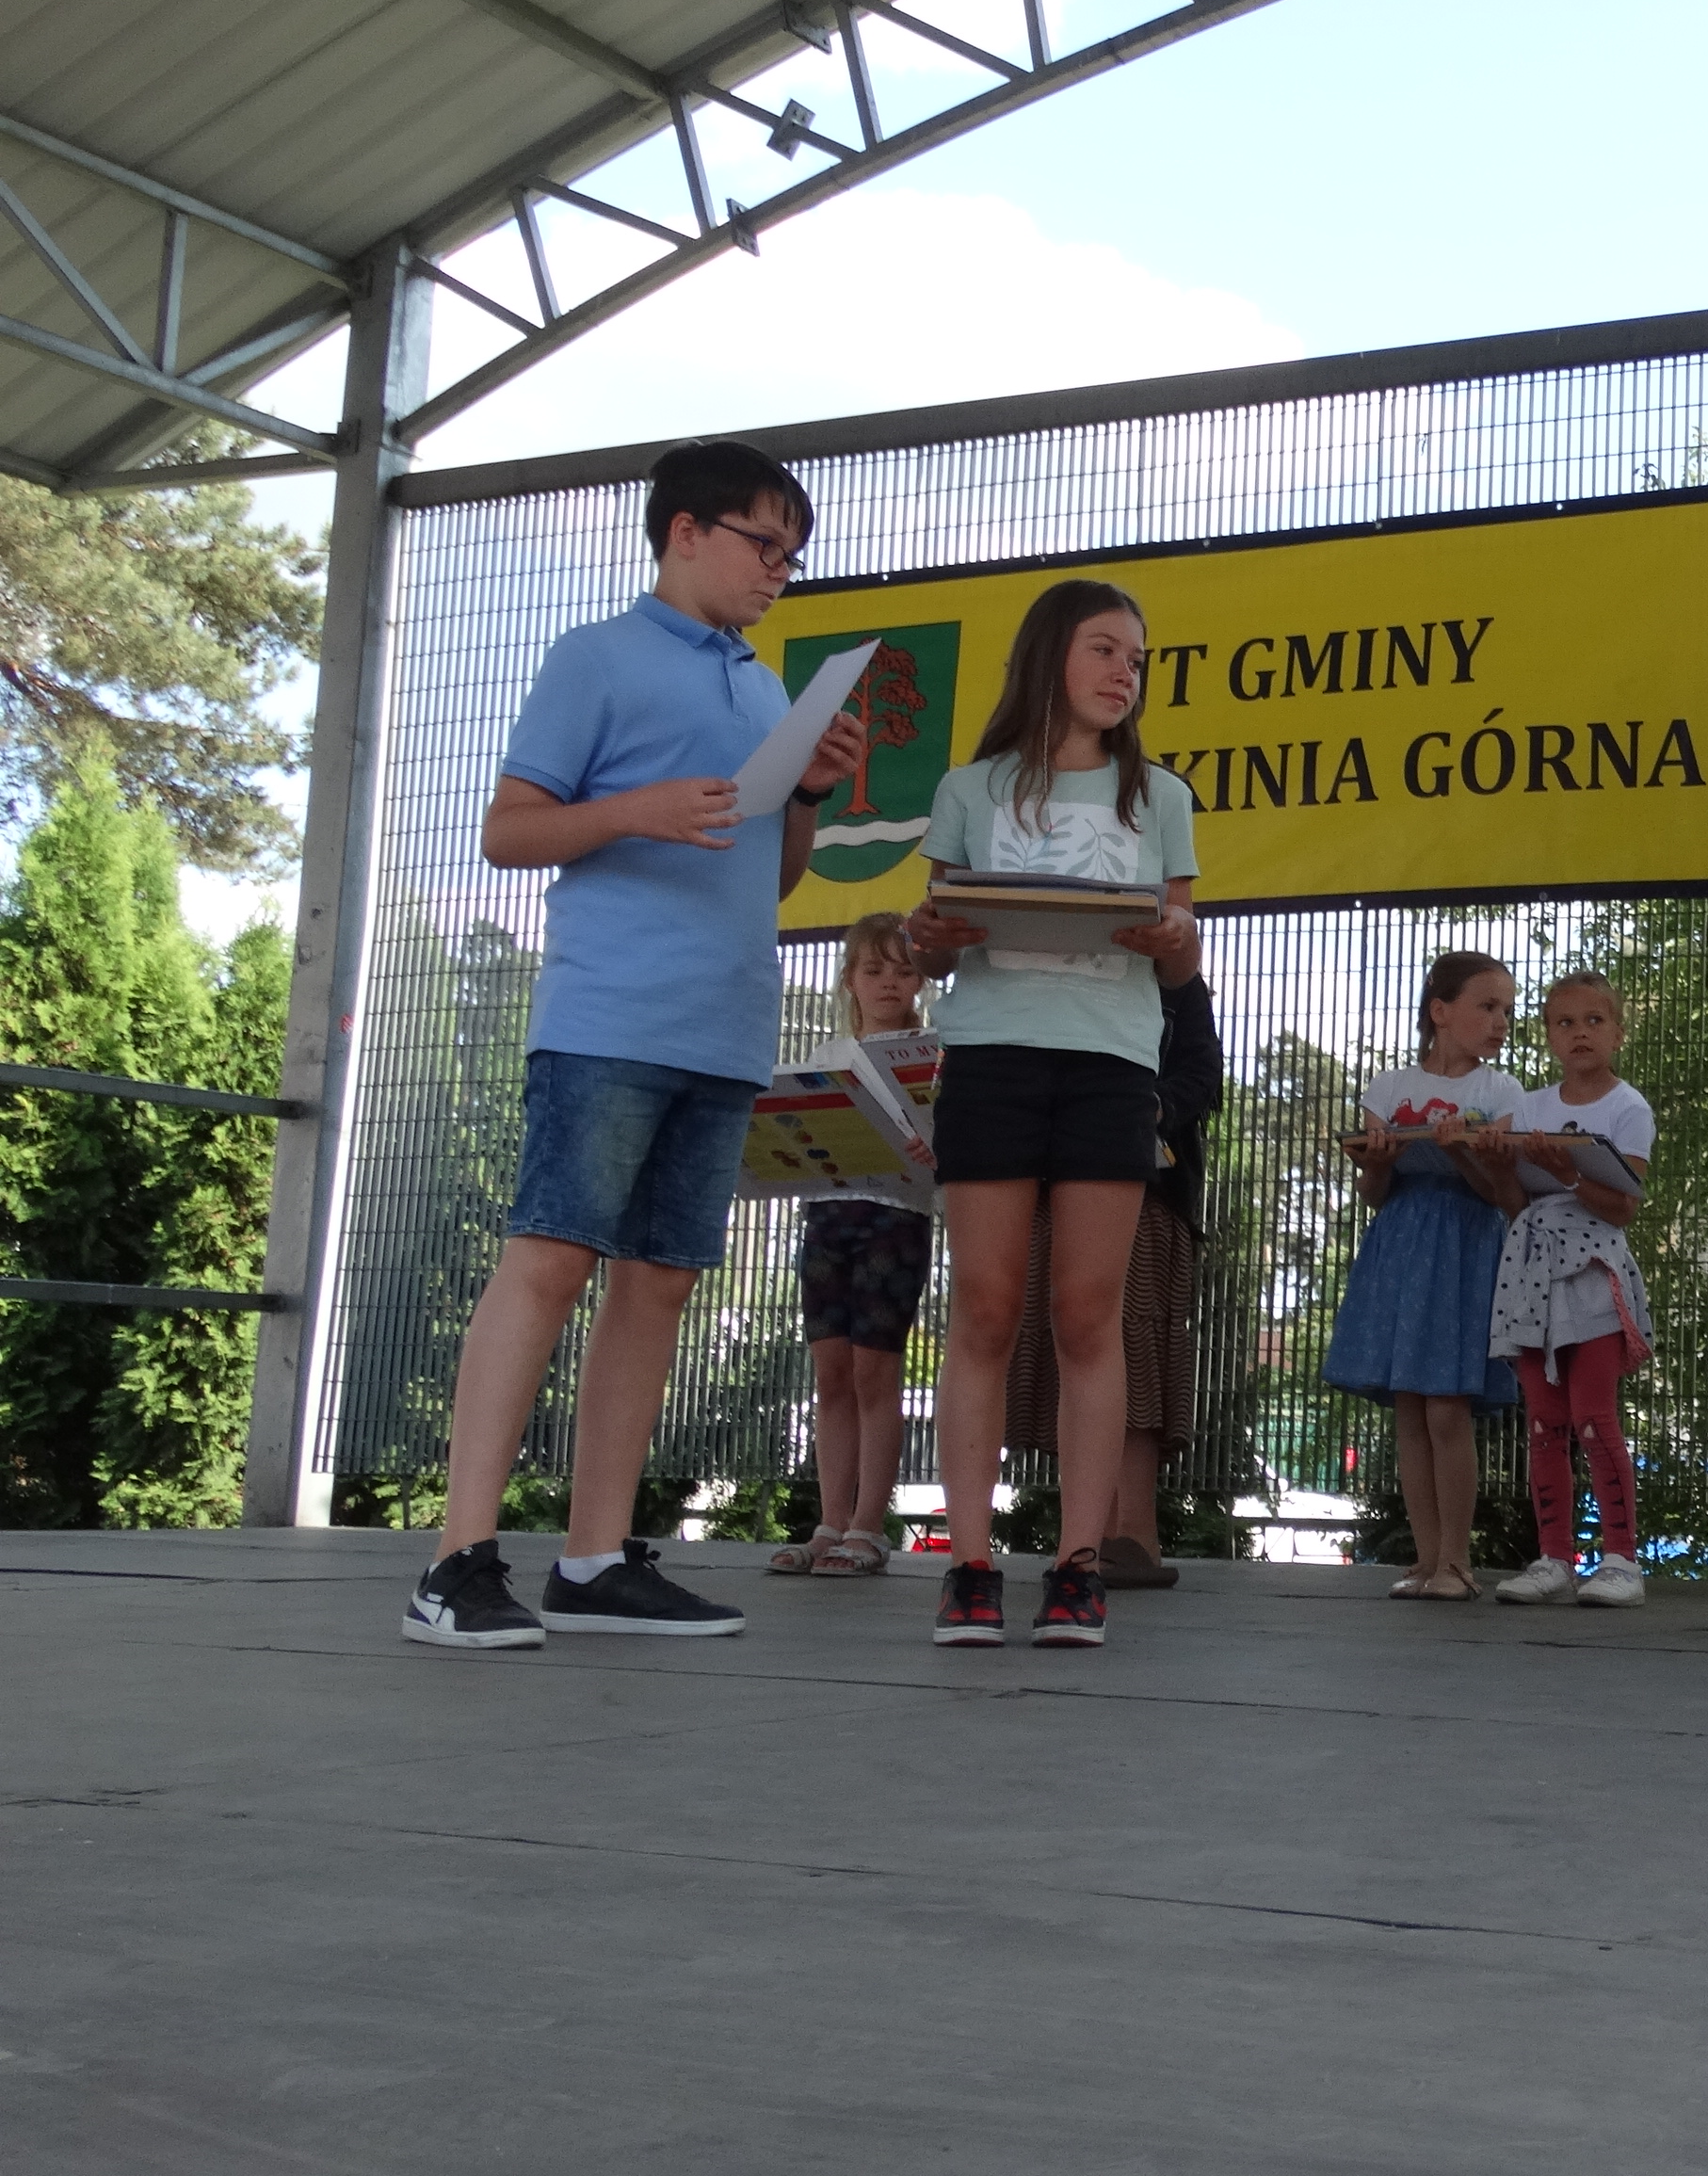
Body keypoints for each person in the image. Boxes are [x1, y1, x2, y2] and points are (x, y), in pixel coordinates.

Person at [402, 439, 863, 1649]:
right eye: (765, 543)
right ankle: (454, 1561)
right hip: (609, 1014)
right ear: (684, 532)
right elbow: (508, 832)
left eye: (793, 556)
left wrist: (809, 795)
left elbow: (773, 881)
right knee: (550, 1262)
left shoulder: (767, 690)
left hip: (724, 1025)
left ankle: (595, 1560)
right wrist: (635, 812)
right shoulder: (593, 656)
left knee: (659, 1284)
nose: (779, 570)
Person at [907, 580, 1200, 1649]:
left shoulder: (1159, 795)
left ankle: (1079, 1565)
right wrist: (929, 937)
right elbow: (935, 937)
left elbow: (1183, 952)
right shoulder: (969, 787)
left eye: (1138, 658)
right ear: (1048, 656)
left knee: (1087, 1315)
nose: (1127, 673)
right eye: (1105, 649)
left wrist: (1172, 940)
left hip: (1112, 1066)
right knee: (984, 1310)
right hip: (989, 1059)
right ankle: (969, 1563)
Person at [998, 928, 1221, 1589]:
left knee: (1131, 1343)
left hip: (1149, 1185)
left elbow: (1202, 1075)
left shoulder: (1176, 983)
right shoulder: (1049, 975)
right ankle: (1085, 1534)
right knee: (1069, 1342)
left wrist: (1150, 1107)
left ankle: (1135, 1533)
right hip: (1052, 1182)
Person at [1326, 951, 1530, 1603]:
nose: (1501, 1021)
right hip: (1400, 1245)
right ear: (1440, 1011)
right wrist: (1380, 1161)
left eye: (1507, 1010)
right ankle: (1424, 1558)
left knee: (1447, 1406)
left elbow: (1499, 1194)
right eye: (1487, 1006)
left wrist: (1463, 1154)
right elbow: (1374, 1193)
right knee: (1410, 1407)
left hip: (1466, 1244)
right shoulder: (1387, 1089)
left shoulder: (1502, 1093)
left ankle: (1457, 1563)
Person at [767, 911, 935, 1579]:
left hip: (896, 1218)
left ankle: (868, 1526)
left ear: (921, 981)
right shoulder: (824, 1059)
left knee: (875, 1371)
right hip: (826, 1217)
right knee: (831, 1372)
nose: (889, 982)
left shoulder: (933, 1056)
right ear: (849, 980)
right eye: (874, 969)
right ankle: (829, 1523)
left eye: (904, 970)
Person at [1489, 971, 1656, 1609]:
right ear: (1549, 1036)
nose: (1580, 1033)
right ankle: (1554, 1556)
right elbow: (1513, 1201)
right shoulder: (1529, 1108)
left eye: (1593, 1021)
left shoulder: (1628, 1108)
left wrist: (1569, 1175)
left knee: (1593, 1415)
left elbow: (1624, 1206)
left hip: (1592, 1272)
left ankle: (1621, 1559)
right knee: (1543, 1419)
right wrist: (1495, 1162)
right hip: (1531, 1271)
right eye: (1565, 1023)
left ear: (1618, 1032)